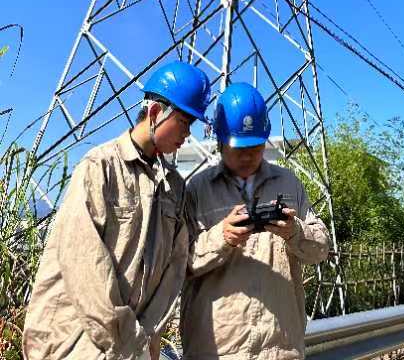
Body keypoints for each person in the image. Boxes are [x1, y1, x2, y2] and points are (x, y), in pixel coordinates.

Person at [22, 61, 211, 360]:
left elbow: (175, 267)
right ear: (155, 113)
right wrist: (127, 341)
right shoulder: (100, 167)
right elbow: (84, 266)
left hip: (134, 347)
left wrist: (144, 336)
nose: (188, 134)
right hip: (77, 343)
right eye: (185, 122)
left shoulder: (174, 188)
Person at [182, 82, 330, 360]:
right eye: (239, 148)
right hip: (215, 350)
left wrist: (294, 231)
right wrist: (221, 237)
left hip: (280, 348)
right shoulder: (197, 190)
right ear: (219, 140)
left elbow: (321, 249)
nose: (248, 155)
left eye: (256, 146)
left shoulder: (289, 183)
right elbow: (177, 262)